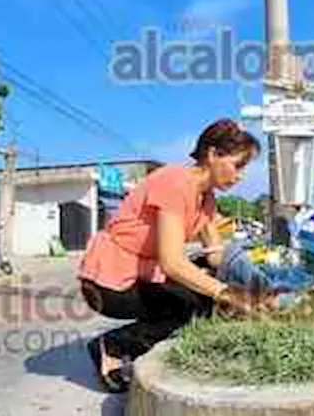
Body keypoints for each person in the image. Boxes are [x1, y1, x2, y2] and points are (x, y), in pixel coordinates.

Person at [77, 118, 275, 392]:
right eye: (238, 165)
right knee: (200, 305)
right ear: (213, 153)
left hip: (143, 274)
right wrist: (227, 293)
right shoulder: (174, 182)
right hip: (109, 280)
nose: (240, 175)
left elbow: (216, 256)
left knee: (210, 293)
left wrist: (256, 285)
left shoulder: (206, 198)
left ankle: (159, 339)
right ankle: (113, 346)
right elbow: (171, 262)